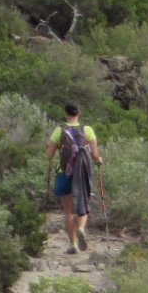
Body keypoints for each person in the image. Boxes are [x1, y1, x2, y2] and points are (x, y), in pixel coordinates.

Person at [44, 103, 103, 254]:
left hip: (64, 173)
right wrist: (99, 160)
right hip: (81, 173)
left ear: (66, 114)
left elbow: (49, 155)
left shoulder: (59, 130)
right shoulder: (87, 130)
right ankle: (81, 228)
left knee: (68, 211)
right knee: (83, 205)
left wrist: (54, 147)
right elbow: (94, 155)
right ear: (79, 113)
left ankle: (73, 244)